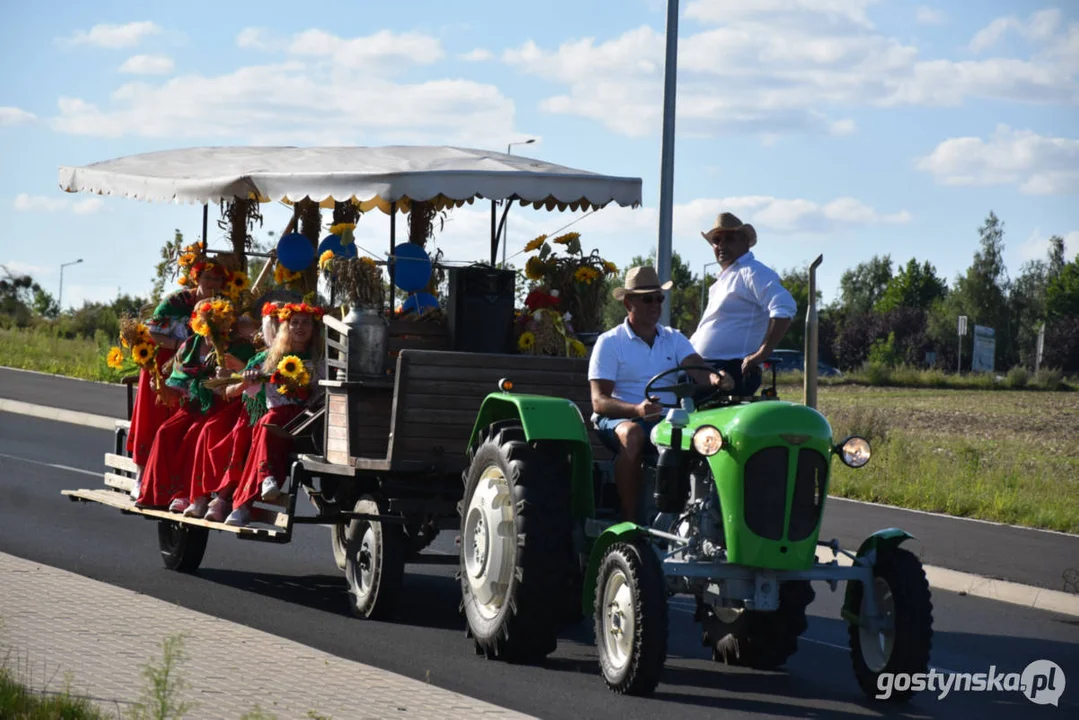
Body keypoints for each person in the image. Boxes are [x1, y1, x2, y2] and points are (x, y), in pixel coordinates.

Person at [589, 266, 734, 523]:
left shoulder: (673, 338)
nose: (656, 304)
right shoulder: (610, 342)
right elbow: (599, 401)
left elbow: (699, 369)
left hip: (668, 421)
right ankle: (630, 521)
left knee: (714, 437)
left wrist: (716, 378)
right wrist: (636, 410)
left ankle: (704, 520)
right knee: (632, 435)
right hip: (621, 419)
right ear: (628, 303)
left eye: (659, 298)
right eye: (648, 298)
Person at [126, 259, 230, 499]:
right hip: (165, 359)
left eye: (217, 279)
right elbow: (152, 332)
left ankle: (179, 480)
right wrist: (178, 346)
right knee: (153, 414)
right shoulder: (177, 301)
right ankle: (141, 476)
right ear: (197, 279)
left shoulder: (222, 305)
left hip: (197, 363)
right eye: (207, 278)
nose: (212, 283)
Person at [225, 303, 324, 527]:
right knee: (267, 424)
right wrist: (246, 380)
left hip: (310, 420)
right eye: (294, 322)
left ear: (314, 328)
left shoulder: (321, 359)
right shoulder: (269, 357)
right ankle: (259, 487)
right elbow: (229, 391)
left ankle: (244, 504)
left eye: (305, 322)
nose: (300, 327)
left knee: (266, 425)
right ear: (285, 327)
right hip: (278, 419)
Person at [690, 212, 796, 396]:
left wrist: (761, 354)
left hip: (730, 370)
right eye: (717, 240)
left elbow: (784, 305)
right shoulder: (725, 280)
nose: (721, 245)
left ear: (745, 242)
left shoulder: (751, 272)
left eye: (729, 238)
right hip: (704, 368)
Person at [183, 314, 259, 518]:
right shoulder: (198, 346)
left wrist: (235, 374)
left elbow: (251, 377)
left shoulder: (253, 351)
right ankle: (199, 496)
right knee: (207, 429)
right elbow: (229, 387)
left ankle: (223, 497)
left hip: (253, 405)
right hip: (233, 402)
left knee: (237, 434)